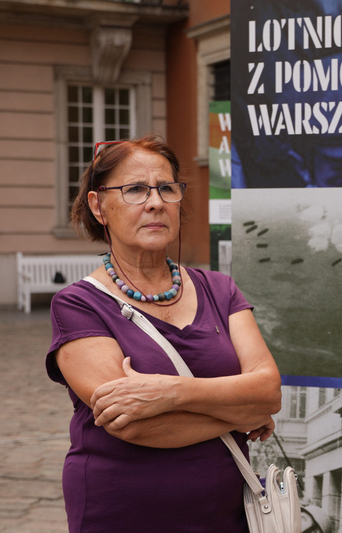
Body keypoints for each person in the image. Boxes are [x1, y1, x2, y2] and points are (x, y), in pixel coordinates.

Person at [46, 135, 282, 532]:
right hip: (123, 512)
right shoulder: (77, 304)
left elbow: (268, 392)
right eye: (135, 189)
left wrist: (168, 393)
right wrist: (239, 412)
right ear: (98, 205)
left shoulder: (220, 290)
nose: (155, 202)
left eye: (166, 189)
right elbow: (133, 423)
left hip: (226, 515)